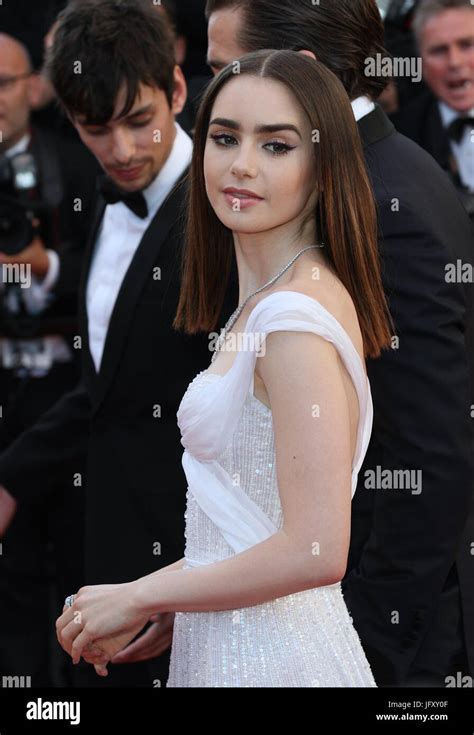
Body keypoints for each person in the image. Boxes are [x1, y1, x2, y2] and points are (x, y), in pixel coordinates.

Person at [56, 49, 392, 688]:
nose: (241, 164)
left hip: (278, 662)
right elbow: (246, 526)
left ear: (323, 166)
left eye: (277, 145)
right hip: (235, 645)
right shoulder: (268, 302)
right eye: (225, 137)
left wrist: (141, 596)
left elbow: (317, 549)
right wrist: (175, 599)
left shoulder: (292, 320)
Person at [205, 0, 474, 687]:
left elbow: (429, 454)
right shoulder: (361, 173)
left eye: (226, 70)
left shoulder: (388, 200)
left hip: (376, 637)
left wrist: (363, 648)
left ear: (299, 71)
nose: (213, 100)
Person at [0, 0, 232, 688]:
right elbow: (104, 386)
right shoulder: (107, 198)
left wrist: (179, 585)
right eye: (97, 129)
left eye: (140, 121)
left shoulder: (224, 208)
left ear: (180, 90)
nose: (123, 151)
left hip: (194, 575)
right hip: (110, 548)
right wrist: (12, 474)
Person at [0, 31, 97, 686]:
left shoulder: (82, 163)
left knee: (78, 554)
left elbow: (117, 271)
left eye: (4, 83)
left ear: (36, 87)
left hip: (69, 392)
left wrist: (45, 265)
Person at [394, 0, 474, 221]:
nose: (454, 62)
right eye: (439, 50)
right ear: (420, 61)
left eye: (467, 44)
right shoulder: (400, 137)